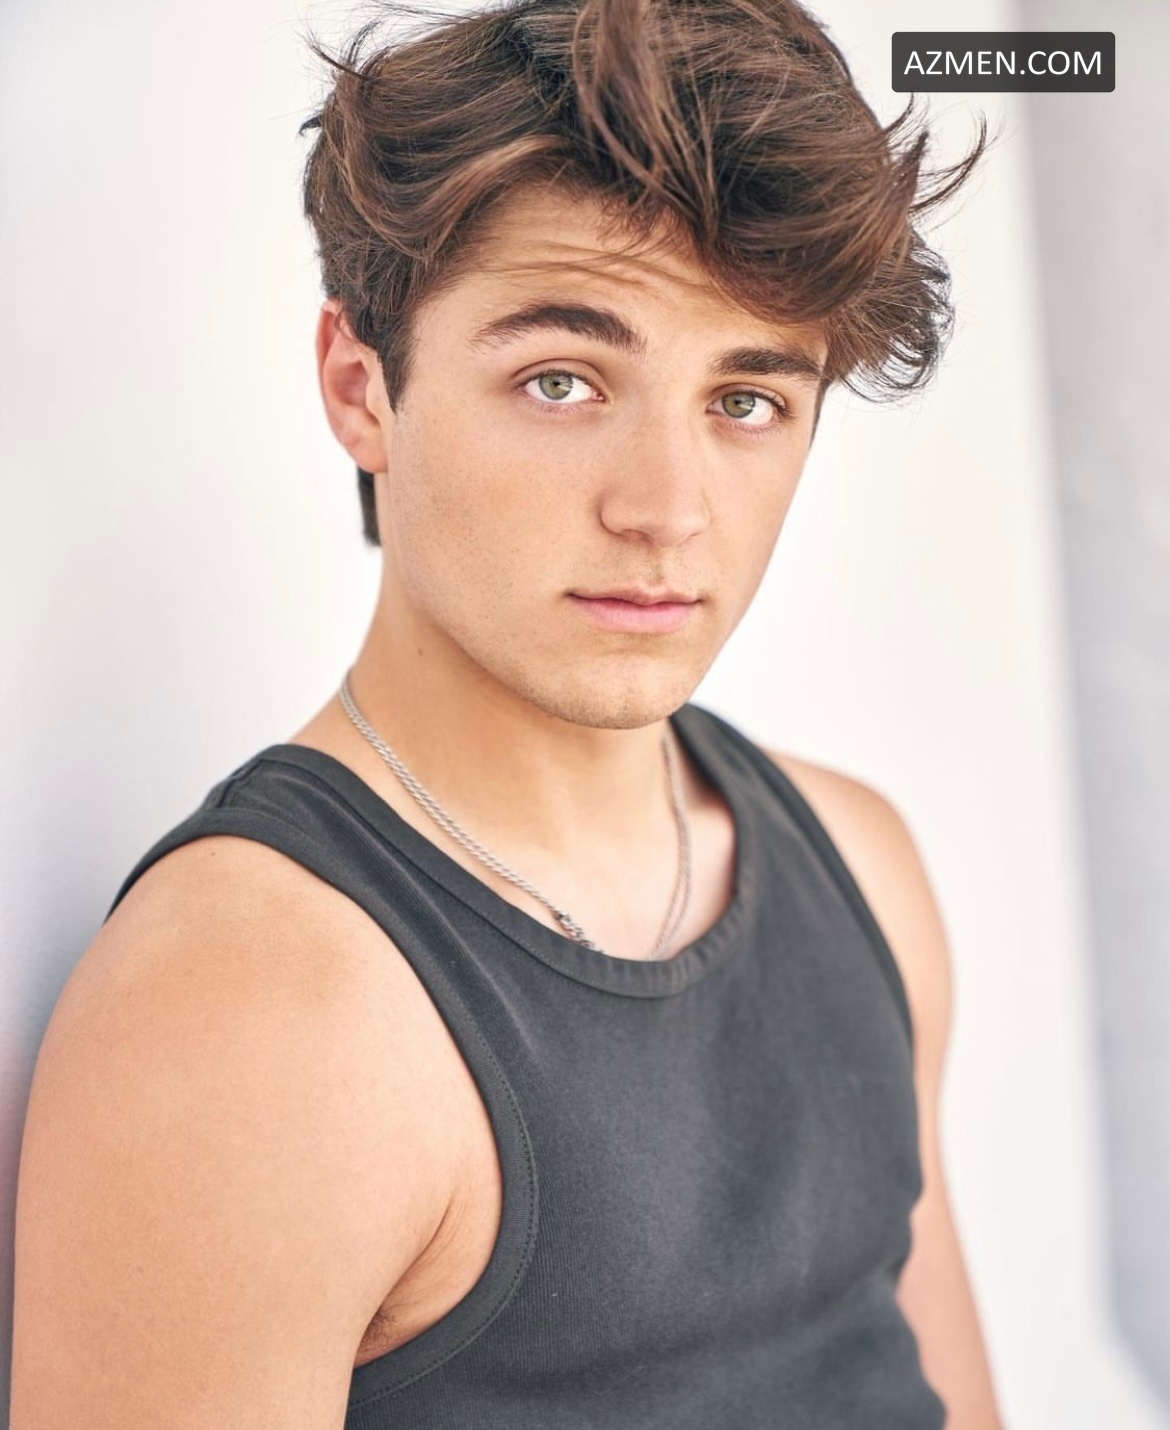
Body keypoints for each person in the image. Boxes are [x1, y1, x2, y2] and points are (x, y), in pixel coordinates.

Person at [11, 0, 1005, 1425]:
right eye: (562, 380)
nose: (666, 509)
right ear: (361, 388)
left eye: (744, 400)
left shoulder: (860, 862)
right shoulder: (257, 1013)